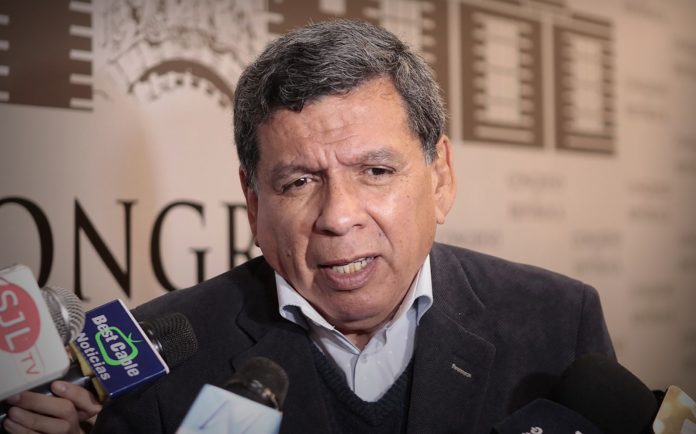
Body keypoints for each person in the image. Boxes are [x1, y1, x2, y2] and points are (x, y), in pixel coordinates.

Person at [4, 19, 614, 434]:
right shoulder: (155, 369)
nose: (339, 216)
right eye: (298, 182)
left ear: (441, 178)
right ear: (253, 203)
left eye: (376, 171)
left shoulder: (559, 322)